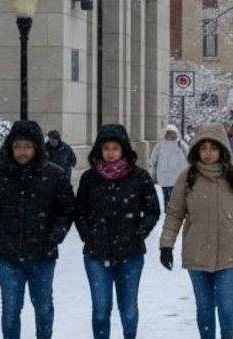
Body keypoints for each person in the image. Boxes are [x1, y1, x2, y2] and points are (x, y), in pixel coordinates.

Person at [0, 120, 76, 339]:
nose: (22, 152)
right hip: (8, 255)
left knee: (43, 307)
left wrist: (57, 233)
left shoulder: (54, 175)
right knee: (10, 310)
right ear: (10, 147)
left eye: (28, 146)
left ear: (37, 147)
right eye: (18, 146)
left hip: (43, 254)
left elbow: (67, 210)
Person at [159, 124, 233, 339]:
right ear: (196, 150)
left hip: (231, 252)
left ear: (222, 150)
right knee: (205, 308)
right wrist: (166, 244)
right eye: (203, 148)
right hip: (197, 252)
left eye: (213, 148)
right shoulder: (188, 177)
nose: (208, 153)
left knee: (225, 305)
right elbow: (175, 213)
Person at [75, 124, 161, 339]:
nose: (110, 153)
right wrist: (90, 236)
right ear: (99, 150)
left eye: (115, 148)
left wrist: (137, 233)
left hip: (130, 254)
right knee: (101, 311)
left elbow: (152, 210)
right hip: (96, 255)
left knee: (129, 310)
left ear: (123, 150)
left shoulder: (139, 177)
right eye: (106, 148)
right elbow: (80, 212)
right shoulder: (89, 178)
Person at [150, 125, 188, 211]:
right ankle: (168, 210)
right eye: (169, 133)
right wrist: (153, 171)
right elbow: (153, 158)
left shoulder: (180, 144)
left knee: (176, 194)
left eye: (173, 133)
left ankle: (174, 210)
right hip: (165, 175)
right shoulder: (160, 145)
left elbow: (188, 154)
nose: (171, 135)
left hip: (177, 175)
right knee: (167, 194)